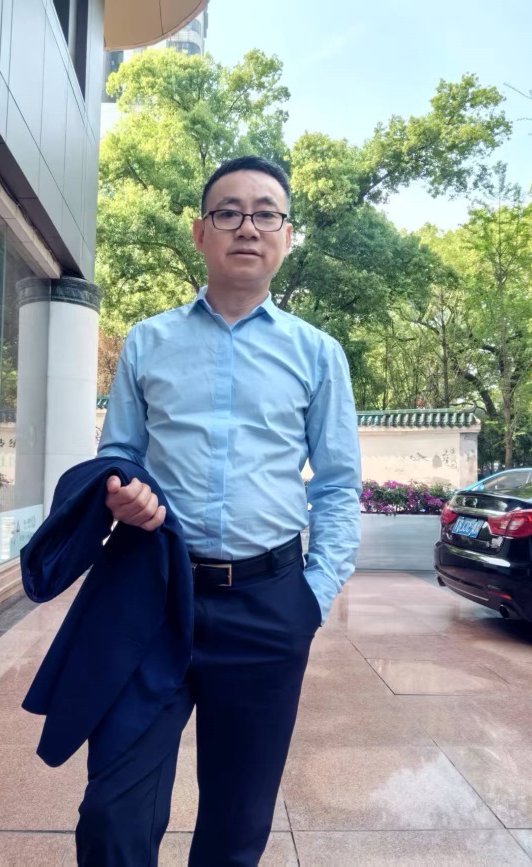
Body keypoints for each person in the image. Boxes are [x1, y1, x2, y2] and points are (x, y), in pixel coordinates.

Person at [82, 155, 361, 865]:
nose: (247, 226)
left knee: (236, 828)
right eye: (228, 211)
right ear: (200, 231)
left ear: (287, 235)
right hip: (153, 595)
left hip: (269, 605)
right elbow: (120, 454)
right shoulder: (148, 341)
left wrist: (314, 594)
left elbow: (336, 484)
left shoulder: (318, 354)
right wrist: (121, 490)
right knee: (112, 812)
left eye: (266, 213)